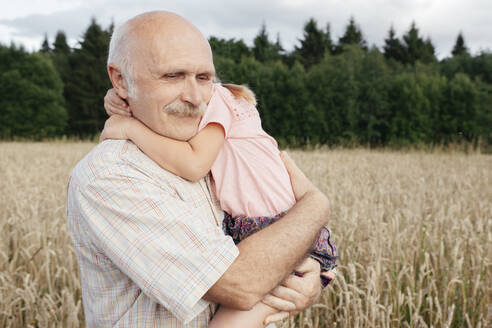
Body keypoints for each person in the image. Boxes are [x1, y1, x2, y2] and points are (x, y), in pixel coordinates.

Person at [66, 11, 331, 327]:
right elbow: (242, 284)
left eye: (204, 78)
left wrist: (305, 277)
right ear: (120, 79)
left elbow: (271, 261)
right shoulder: (112, 175)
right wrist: (315, 207)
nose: (195, 98)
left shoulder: (210, 146)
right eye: (172, 76)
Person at [101, 80, 338, 327]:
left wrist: (129, 128)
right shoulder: (204, 103)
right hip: (261, 229)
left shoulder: (219, 99)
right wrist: (121, 99)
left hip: (276, 229)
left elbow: (194, 164)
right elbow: (158, 111)